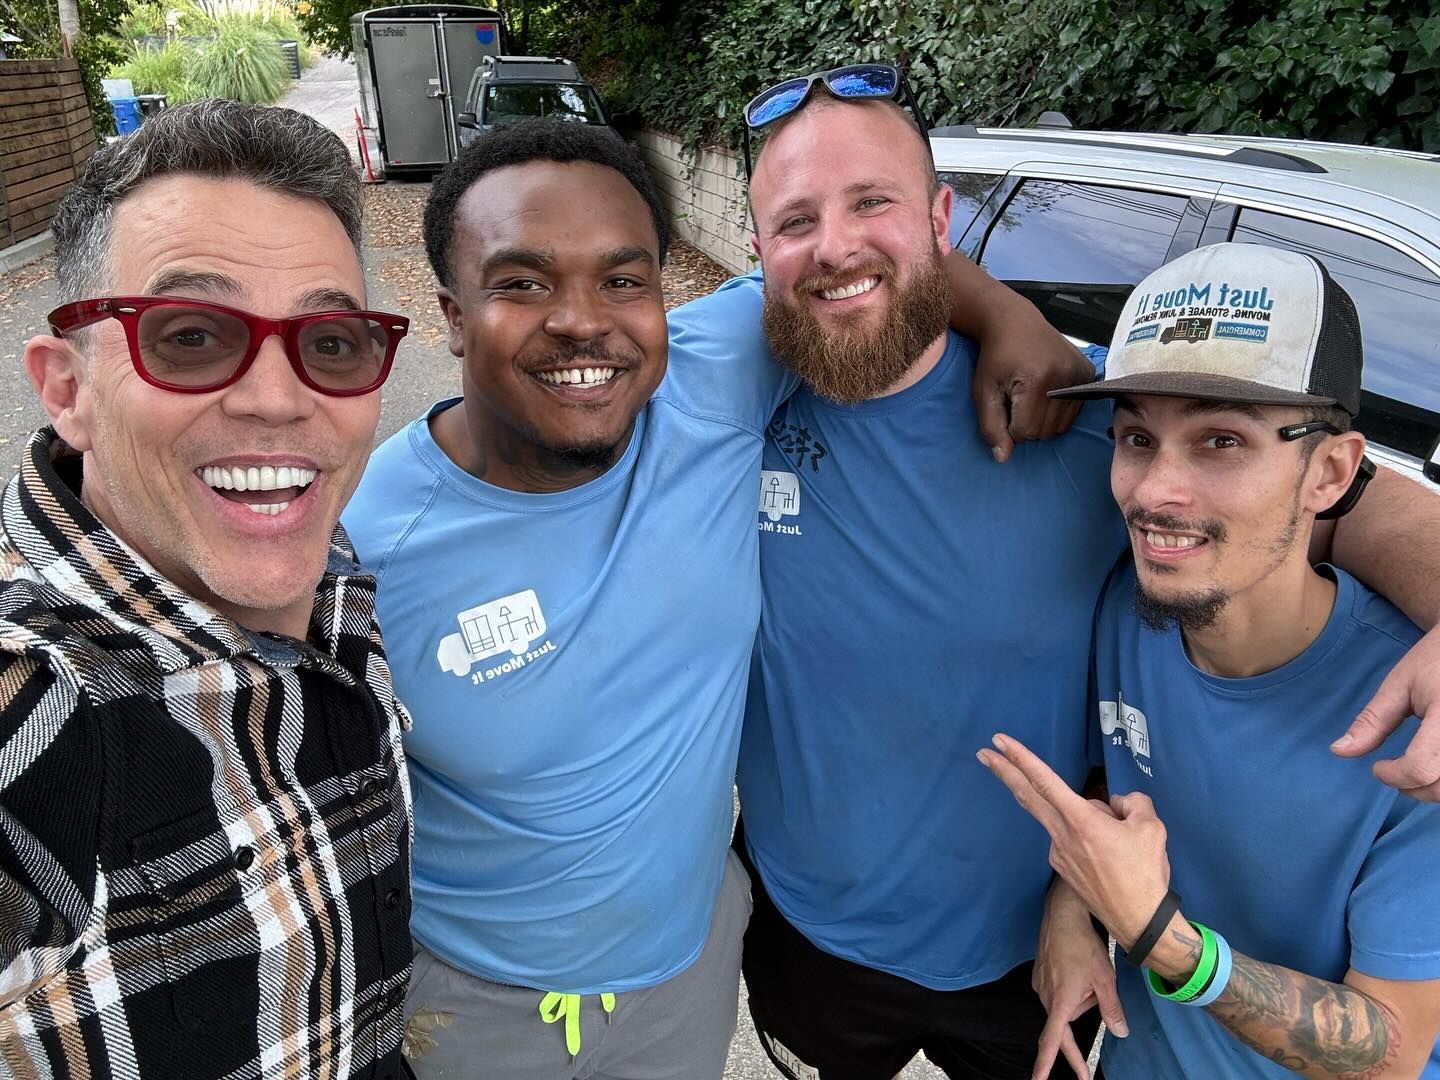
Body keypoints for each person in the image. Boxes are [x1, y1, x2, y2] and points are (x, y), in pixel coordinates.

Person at [732, 69, 1440, 1080]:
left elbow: (1345, 506)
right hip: (812, 934)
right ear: (758, 247)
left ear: (941, 216)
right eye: (797, 218)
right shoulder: (713, 384)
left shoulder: (1093, 416)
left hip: (1035, 961)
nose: (836, 244)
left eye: (873, 201)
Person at [341, 118, 1082, 1079]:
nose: (580, 320)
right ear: (447, 312)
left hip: (686, 980)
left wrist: (1010, 316)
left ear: (661, 294)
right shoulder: (360, 549)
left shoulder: (708, 377)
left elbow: (860, 265)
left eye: (621, 280)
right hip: (473, 1002)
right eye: (522, 282)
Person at [0, 101, 415, 1078]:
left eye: (333, 342)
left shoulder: (325, 561)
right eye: (189, 336)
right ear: (67, 388)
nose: (279, 397)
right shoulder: (36, 705)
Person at [980, 242, 1440, 1078]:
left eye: (1220, 441)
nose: (1157, 491)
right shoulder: (1132, 608)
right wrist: (1072, 905)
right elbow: (1115, 799)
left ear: (1329, 471)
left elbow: (1391, 1051)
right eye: (1136, 438)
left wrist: (1160, 940)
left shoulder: (1420, 720)